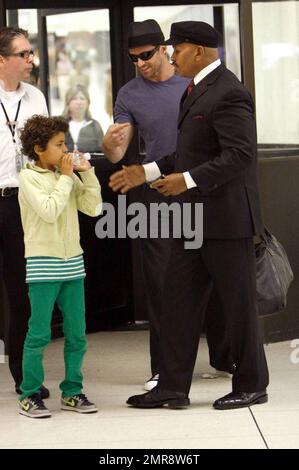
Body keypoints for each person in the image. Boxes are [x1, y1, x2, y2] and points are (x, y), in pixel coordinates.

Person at [109, 21, 269, 410]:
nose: (171, 55)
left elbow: (239, 156)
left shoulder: (230, 92)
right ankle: (172, 386)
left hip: (227, 221)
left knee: (238, 305)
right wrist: (143, 172)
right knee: (177, 301)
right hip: (193, 220)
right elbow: (186, 155)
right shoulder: (194, 90)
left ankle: (252, 384)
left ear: (198, 50)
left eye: (175, 48)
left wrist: (188, 181)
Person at [102, 19, 190, 391]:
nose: (140, 63)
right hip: (156, 197)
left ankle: (225, 355)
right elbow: (118, 150)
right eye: (134, 58)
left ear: (165, 49)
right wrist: (110, 144)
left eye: (147, 55)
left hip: (198, 188)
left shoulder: (192, 84)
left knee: (214, 276)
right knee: (160, 284)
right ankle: (163, 368)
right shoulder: (129, 94)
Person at [17, 115, 102, 418]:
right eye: (59, 144)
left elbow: (93, 208)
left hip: (73, 265)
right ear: (39, 148)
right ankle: (29, 395)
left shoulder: (64, 176)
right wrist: (67, 177)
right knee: (39, 334)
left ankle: (72, 391)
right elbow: (50, 211)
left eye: (65, 143)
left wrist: (87, 174)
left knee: (77, 334)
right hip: (43, 266)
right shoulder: (28, 178)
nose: (66, 150)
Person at [0, 26, 49, 398]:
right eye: (24, 54)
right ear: (3, 59)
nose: (31, 60)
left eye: (30, 53)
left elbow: (43, 151)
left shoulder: (35, 98)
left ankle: (25, 377)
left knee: (23, 292)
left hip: (23, 203)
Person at [62, 85, 104, 154]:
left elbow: (101, 151)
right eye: (74, 98)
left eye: (82, 98)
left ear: (88, 103)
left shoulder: (95, 125)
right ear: (67, 102)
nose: (79, 102)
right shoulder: (60, 124)